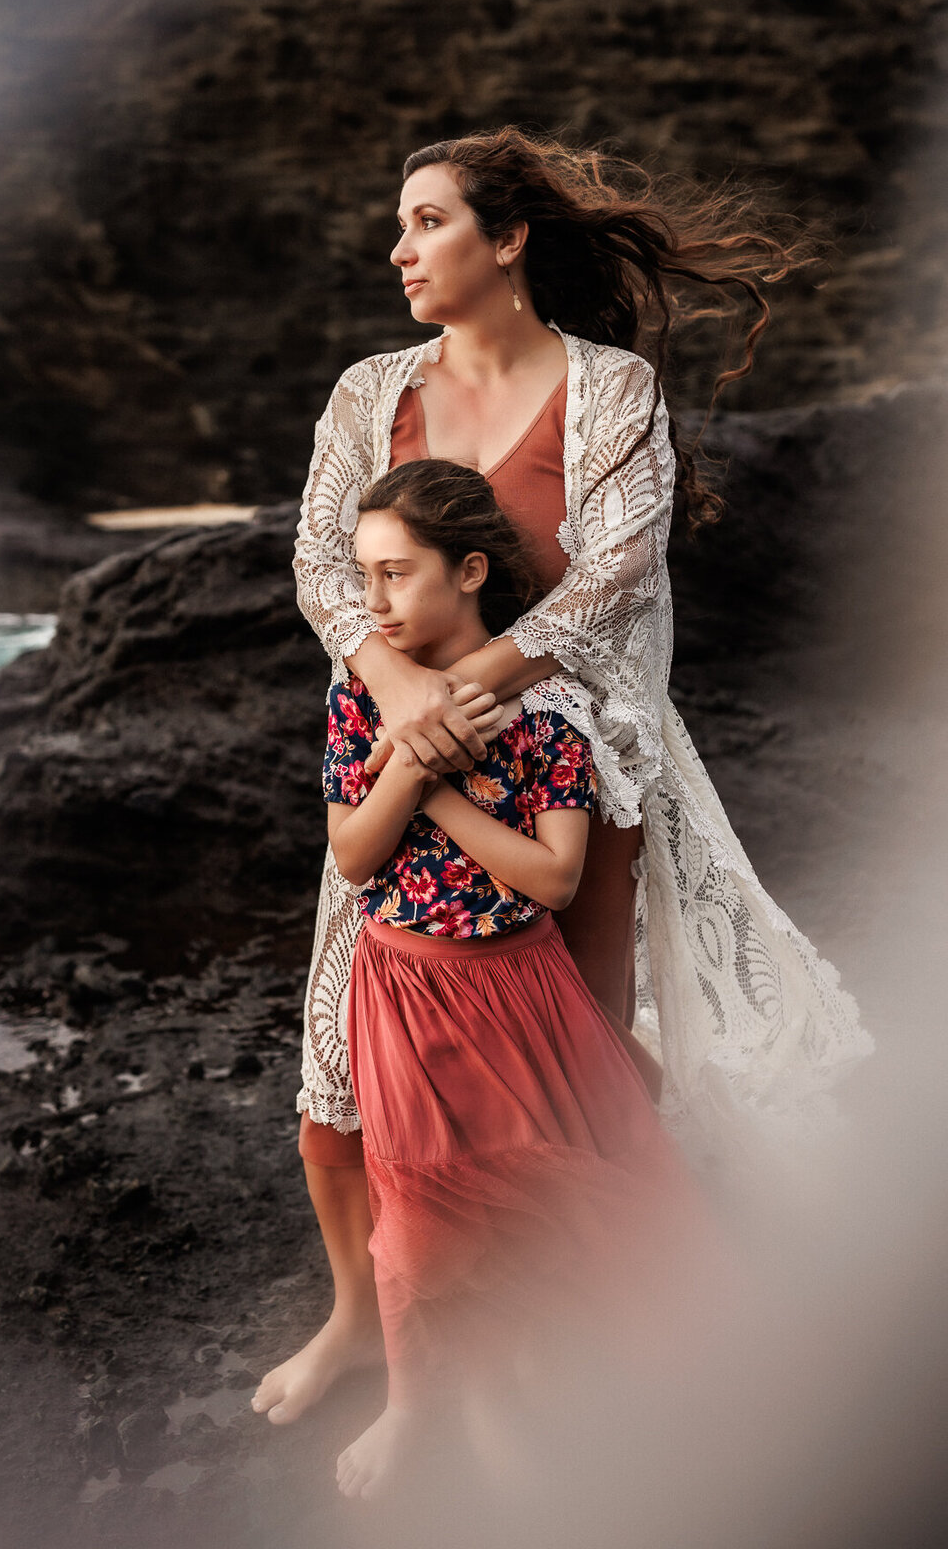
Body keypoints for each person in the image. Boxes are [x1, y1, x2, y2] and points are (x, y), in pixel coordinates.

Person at [252, 125, 871, 1429]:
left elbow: (614, 578)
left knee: (571, 1063)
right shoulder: (372, 392)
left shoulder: (614, 389)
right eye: (401, 224)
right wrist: (408, 701)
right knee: (342, 1053)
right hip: (401, 751)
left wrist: (469, 697)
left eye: (427, 221)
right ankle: (358, 1326)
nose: (399, 248)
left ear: (508, 235)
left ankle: (542, 1318)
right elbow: (321, 565)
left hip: (568, 767)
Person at [322, 460, 713, 1498]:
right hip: (400, 990)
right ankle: (412, 1408)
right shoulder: (360, 696)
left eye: (396, 575)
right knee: (409, 1209)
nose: (373, 603)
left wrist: (440, 796)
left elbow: (554, 875)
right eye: (363, 577)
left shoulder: (546, 713)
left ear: (470, 572)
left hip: (519, 989)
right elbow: (354, 858)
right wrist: (412, 760)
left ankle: (554, 1372)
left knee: (553, 1183)